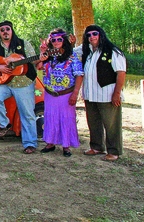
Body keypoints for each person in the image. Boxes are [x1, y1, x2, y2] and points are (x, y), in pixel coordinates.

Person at [0, 21, 40, 154]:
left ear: (12, 30)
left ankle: (30, 143)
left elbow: (34, 60)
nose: (5, 32)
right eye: (2, 30)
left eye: (7, 29)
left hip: (24, 83)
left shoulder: (23, 44)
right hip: (6, 82)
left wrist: (41, 57)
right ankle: (5, 124)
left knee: (27, 114)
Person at [80, 25, 126, 162]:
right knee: (93, 122)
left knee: (111, 124)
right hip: (90, 94)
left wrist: (116, 94)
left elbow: (121, 73)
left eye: (95, 33)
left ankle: (114, 151)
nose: (92, 37)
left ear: (101, 34)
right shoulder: (87, 52)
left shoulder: (113, 51)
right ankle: (97, 146)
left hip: (107, 94)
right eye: (88, 35)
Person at [35, 29, 83, 157]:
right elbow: (38, 67)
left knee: (66, 119)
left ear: (64, 41)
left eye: (59, 39)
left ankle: (66, 146)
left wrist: (75, 93)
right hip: (50, 94)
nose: (56, 42)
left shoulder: (72, 56)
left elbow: (79, 75)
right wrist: (42, 54)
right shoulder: (49, 56)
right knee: (51, 118)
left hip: (65, 94)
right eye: (53, 40)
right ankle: (50, 143)